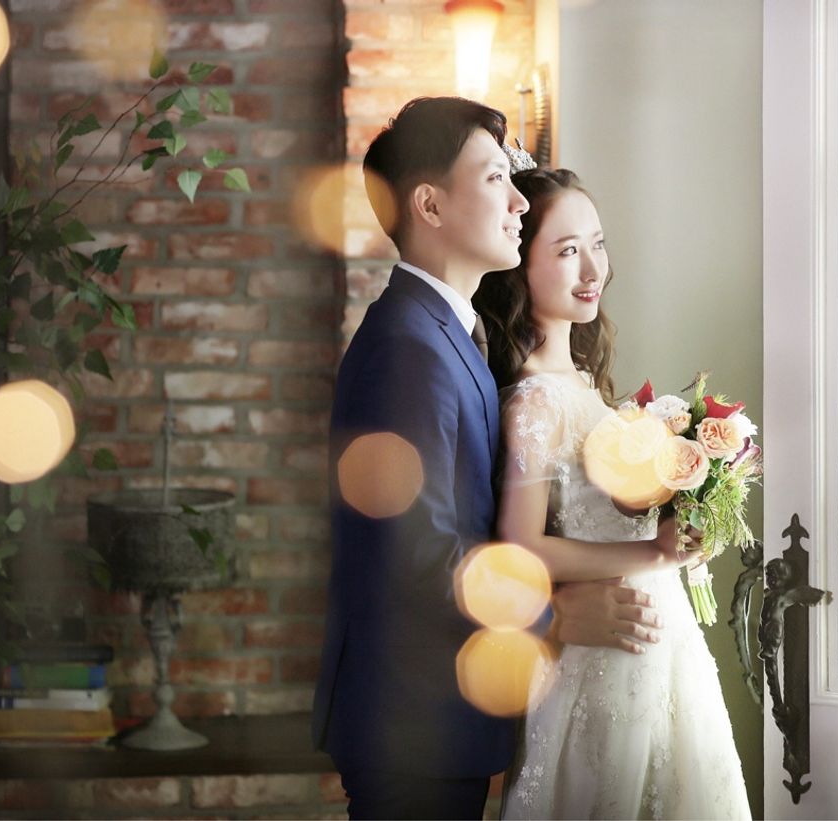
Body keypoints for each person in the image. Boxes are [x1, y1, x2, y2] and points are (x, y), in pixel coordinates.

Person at [312, 98, 665, 820]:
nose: (518, 204)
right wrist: (556, 619)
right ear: (430, 205)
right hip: (410, 722)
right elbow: (413, 555)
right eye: (496, 179)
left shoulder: (446, 332)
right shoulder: (405, 348)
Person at [473, 167, 752, 820]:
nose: (592, 268)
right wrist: (653, 554)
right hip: (600, 660)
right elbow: (520, 547)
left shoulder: (581, 380)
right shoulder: (536, 402)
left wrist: (682, 511)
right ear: (519, 267)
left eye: (597, 244)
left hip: (659, 647)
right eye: (567, 250)